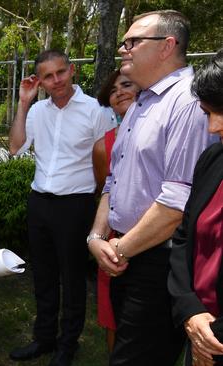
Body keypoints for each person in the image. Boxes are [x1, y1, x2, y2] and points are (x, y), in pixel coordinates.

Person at [87, 10, 215, 365]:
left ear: (167, 46)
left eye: (133, 42)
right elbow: (114, 179)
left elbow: (178, 202)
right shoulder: (141, 101)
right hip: (125, 253)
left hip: (158, 260)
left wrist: (119, 250)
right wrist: (96, 238)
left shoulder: (187, 102)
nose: (123, 50)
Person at [7, 50, 113, 366]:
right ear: (39, 81)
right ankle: (44, 338)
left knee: (73, 278)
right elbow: (14, 147)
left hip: (75, 205)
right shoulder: (37, 110)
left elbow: (106, 157)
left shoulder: (95, 110)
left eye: (61, 72)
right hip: (39, 202)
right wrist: (24, 104)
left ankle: (68, 344)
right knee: (43, 276)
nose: (57, 81)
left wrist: (95, 197)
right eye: (48, 76)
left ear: (72, 70)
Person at [168, 49, 223, 366]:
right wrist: (190, 311)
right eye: (207, 113)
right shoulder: (212, 160)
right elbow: (184, 237)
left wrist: (212, 336)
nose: (213, 127)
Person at [91, 69, 140, 353]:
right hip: (112, 241)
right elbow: (104, 192)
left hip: (157, 241)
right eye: (112, 90)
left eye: (126, 85)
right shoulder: (102, 146)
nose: (119, 92)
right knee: (112, 317)